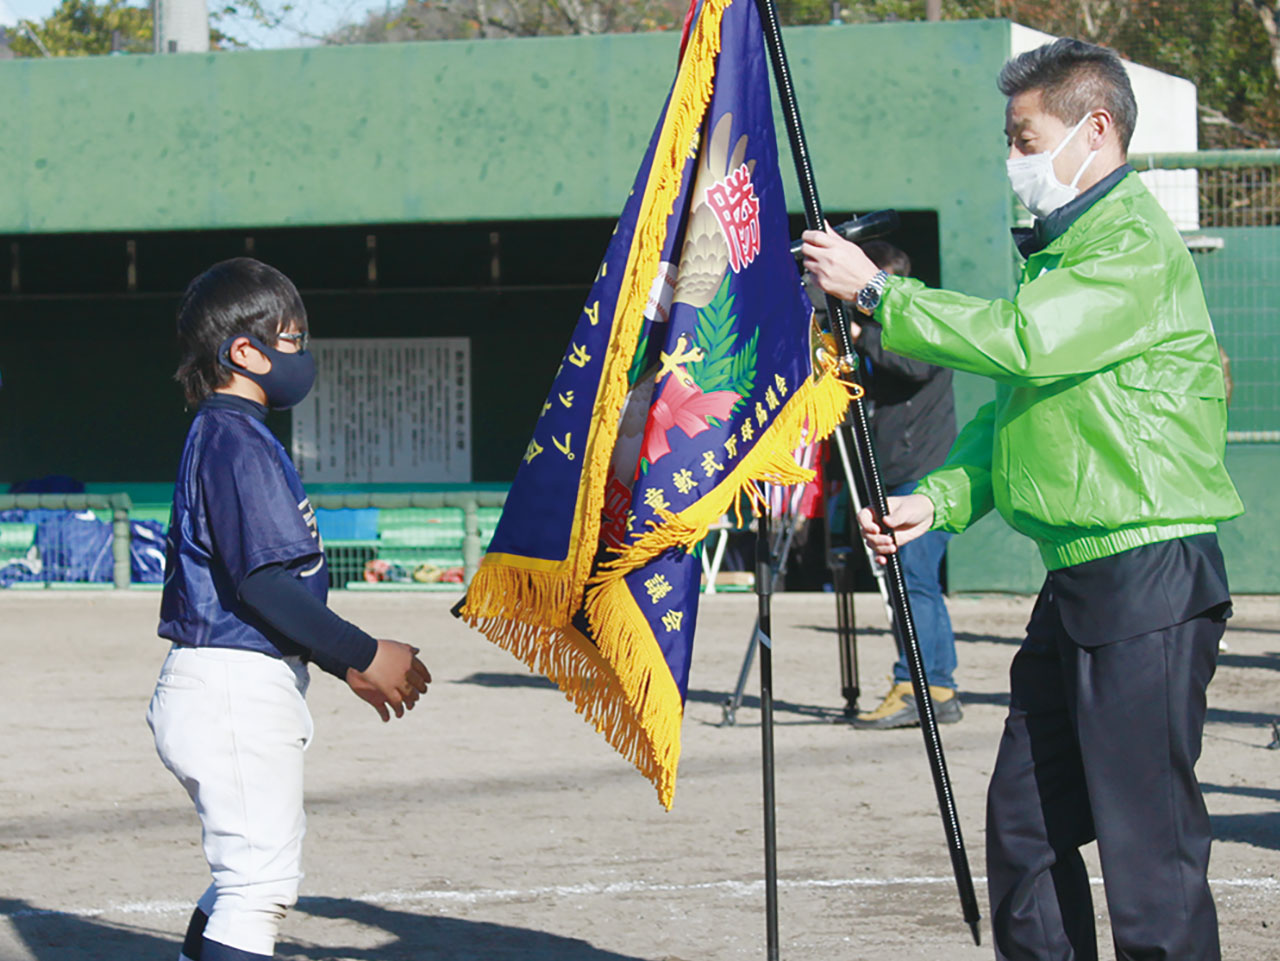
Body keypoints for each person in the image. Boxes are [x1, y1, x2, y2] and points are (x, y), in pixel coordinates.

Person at [803, 38, 1242, 961]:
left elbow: (1025, 343)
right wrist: (945, 500)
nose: (1012, 161)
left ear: (1096, 128)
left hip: (1148, 574)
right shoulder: (1064, 253)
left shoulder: (1129, 247)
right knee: (1023, 829)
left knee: (1148, 854)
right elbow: (1026, 413)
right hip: (1077, 580)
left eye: (1023, 137)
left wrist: (882, 290)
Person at [147, 258, 432, 961]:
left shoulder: (228, 433)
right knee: (256, 889)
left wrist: (346, 662)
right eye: (292, 338)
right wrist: (362, 655)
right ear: (245, 351)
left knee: (237, 883)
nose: (301, 354)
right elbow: (264, 583)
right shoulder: (234, 438)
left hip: (227, 682)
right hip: (233, 684)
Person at [825, 240, 962, 730]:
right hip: (896, 473)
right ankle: (936, 687)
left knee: (913, 583)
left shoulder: (916, 323)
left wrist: (861, 332)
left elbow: (917, 365)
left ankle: (917, 686)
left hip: (920, 475)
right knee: (914, 583)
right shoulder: (884, 332)